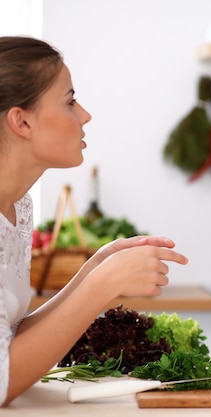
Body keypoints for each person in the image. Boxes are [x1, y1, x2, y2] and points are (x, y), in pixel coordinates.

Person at [0, 36, 189, 406]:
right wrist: (101, 286)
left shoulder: (17, 207)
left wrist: (93, 269)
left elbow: (12, 339)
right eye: (70, 101)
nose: (84, 115)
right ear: (21, 121)